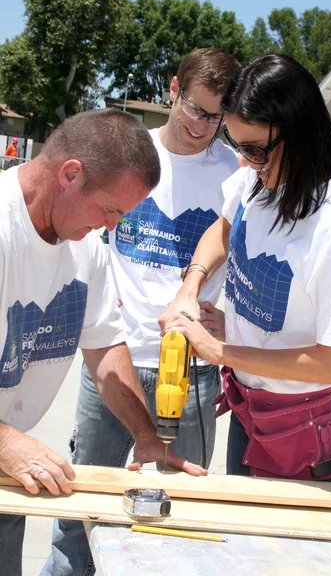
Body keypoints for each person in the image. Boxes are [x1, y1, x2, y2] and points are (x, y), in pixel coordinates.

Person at [44, 48, 239, 575]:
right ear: (173, 90)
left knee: (173, 520)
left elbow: (255, 256)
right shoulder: (131, 156)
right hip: (116, 362)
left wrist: (234, 321)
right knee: (79, 515)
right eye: (197, 109)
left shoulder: (236, 173)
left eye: (217, 116)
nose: (204, 126)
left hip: (191, 373)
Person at [0, 109, 206, 576]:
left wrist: (146, 436)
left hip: (8, 476)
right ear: (71, 174)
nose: (113, 226)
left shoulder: (85, 248)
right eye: (111, 209)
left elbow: (106, 350)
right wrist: (5, 441)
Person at [160, 54, 331, 481]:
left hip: (303, 424)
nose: (244, 161)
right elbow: (222, 233)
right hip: (250, 405)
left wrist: (221, 350)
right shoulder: (257, 181)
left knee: (280, 547)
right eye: (235, 143)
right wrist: (191, 287)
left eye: (255, 149)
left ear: (299, 132)